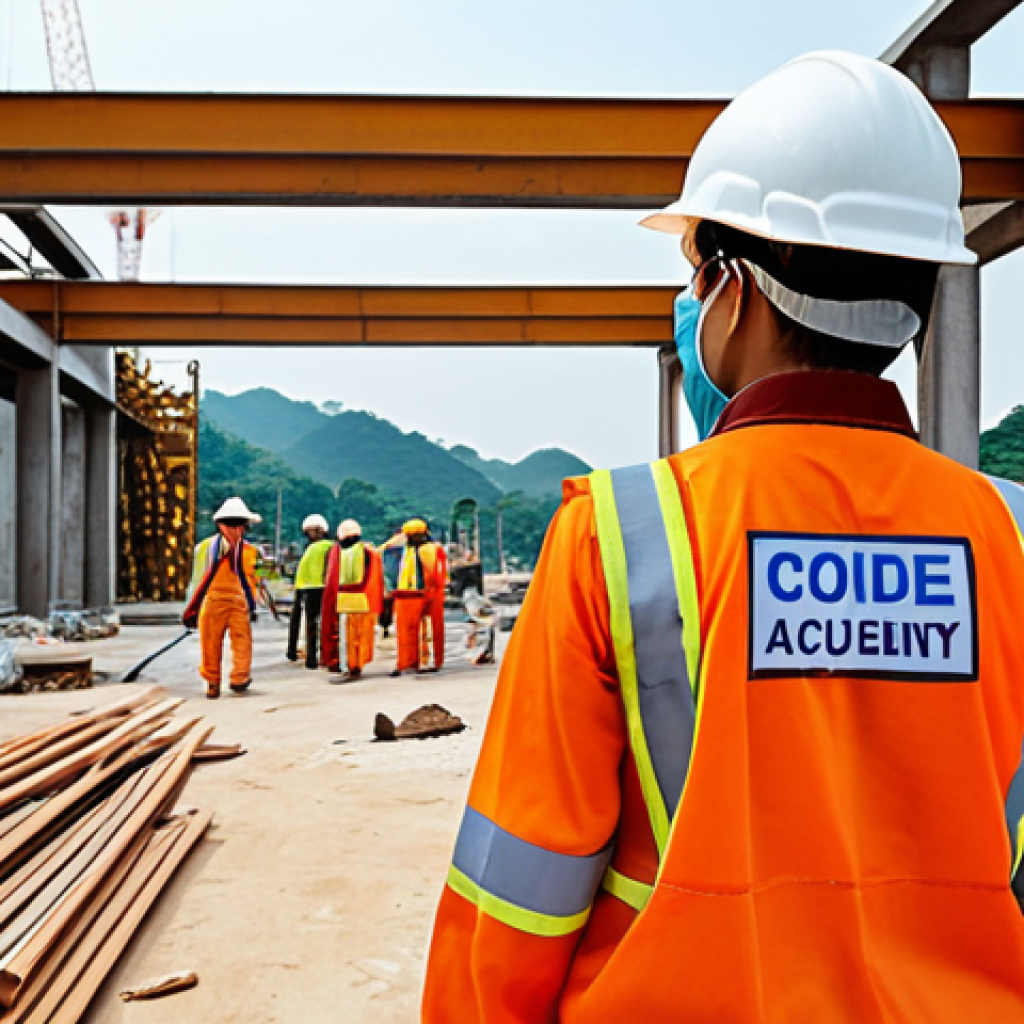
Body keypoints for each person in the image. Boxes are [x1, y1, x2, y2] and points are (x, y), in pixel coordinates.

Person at [423, 52, 1024, 1023]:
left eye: (697, 271)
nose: (692, 299)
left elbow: (515, 896)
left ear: (733, 290)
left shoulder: (614, 538)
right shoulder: (1009, 537)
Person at [183, 496, 261, 700]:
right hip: (215, 599)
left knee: (240, 642)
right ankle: (214, 681)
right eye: (232, 525)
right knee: (212, 642)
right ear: (221, 525)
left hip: (237, 601)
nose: (236, 530)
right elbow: (198, 579)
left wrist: (254, 604)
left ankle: (237, 678)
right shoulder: (209, 549)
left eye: (239, 525)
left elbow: (257, 579)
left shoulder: (249, 552)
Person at [321, 519, 384, 680]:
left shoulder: (362, 551)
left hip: (353, 597)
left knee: (350, 635)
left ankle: (351, 666)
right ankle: (353, 665)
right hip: (353, 598)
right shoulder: (366, 551)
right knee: (355, 635)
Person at [391, 519, 447, 676]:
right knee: (405, 632)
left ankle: (426, 661)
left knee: (426, 628)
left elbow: (435, 573)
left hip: (428, 594)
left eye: (410, 535)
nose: (407, 538)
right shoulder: (408, 550)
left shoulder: (430, 549)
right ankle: (407, 662)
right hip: (408, 595)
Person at [286, 513, 333, 669]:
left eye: (312, 531)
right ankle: (309, 656)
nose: (310, 535)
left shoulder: (322, 547)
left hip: (310, 586)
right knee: (315, 623)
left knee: (307, 622)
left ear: (321, 531)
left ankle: (302, 654)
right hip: (314, 586)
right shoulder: (327, 546)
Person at [378, 525, 406, 638]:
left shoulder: (385, 548)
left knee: (387, 605)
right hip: (400, 581)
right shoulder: (408, 547)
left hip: (389, 580)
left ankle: (385, 626)